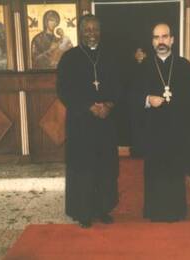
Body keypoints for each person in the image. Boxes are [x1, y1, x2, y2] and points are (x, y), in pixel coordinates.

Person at [130, 23, 190, 222]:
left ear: (172, 39)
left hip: (177, 131)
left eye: (164, 37)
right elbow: (132, 97)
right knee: (155, 172)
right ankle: (154, 211)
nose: (161, 41)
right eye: (156, 37)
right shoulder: (143, 67)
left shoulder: (183, 66)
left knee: (175, 170)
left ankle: (176, 211)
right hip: (153, 131)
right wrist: (147, 99)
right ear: (152, 42)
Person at [56, 14, 120, 228]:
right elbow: (64, 90)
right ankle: (83, 212)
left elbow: (122, 85)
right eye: (87, 29)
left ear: (100, 31)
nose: (91, 33)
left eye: (95, 29)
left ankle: (103, 209)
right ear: (80, 31)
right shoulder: (69, 58)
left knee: (104, 167)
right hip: (81, 123)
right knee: (83, 168)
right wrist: (89, 107)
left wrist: (109, 105)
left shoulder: (111, 56)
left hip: (106, 124)